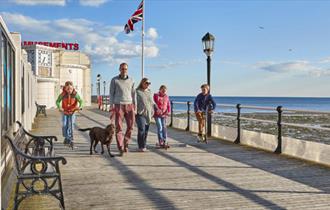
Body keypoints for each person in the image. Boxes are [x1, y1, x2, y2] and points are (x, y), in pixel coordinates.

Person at [109, 63, 135, 156]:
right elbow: (111, 93)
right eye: (122, 69)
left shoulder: (131, 80)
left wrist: (134, 105)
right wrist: (111, 106)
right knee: (119, 127)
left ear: (127, 70)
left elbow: (133, 93)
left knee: (131, 126)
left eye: (126, 69)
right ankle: (120, 147)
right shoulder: (114, 80)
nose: (124, 70)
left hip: (130, 105)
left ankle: (126, 144)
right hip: (118, 105)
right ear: (119, 69)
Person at [56, 81, 83, 147]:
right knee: (64, 125)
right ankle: (66, 137)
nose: (69, 90)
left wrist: (80, 107)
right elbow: (57, 101)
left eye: (70, 89)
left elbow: (81, 101)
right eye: (67, 89)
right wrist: (59, 107)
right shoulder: (63, 94)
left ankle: (70, 139)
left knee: (70, 125)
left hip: (72, 112)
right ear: (65, 88)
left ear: (73, 88)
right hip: (65, 112)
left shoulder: (75, 94)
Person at [135, 78, 154, 152]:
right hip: (140, 113)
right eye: (146, 83)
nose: (147, 85)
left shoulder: (149, 91)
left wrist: (155, 108)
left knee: (146, 130)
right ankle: (141, 146)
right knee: (141, 129)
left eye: (149, 83)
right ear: (142, 83)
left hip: (148, 114)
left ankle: (144, 145)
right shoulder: (137, 91)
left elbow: (152, 102)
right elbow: (134, 102)